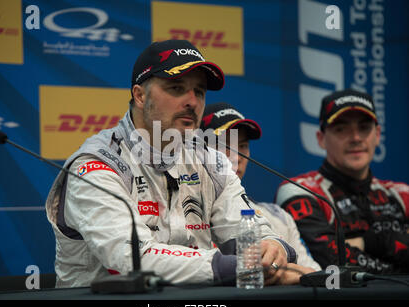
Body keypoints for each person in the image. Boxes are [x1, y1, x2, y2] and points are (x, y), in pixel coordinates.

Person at [45, 39, 296, 288]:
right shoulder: (95, 165)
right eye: (176, 88)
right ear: (140, 95)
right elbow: (134, 259)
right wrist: (242, 266)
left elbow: (250, 233)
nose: (193, 101)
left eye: (199, 91)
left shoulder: (210, 161)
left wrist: (272, 247)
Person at [275, 89, 409, 274]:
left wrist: (359, 244)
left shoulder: (402, 194)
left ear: (377, 135)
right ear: (321, 139)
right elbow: (330, 261)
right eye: (341, 129)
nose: (355, 138)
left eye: (364, 128)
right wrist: (379, 243)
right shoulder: (299, 190)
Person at [200, 102, 321, 285]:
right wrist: (286, 274)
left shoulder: (278, 216)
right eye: (224, 145)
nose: (237, 157)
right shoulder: (188, 216)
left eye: (242, 146)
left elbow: (316, 275)